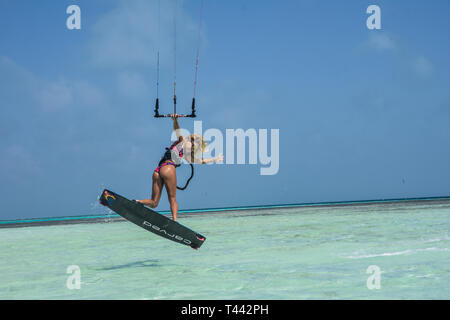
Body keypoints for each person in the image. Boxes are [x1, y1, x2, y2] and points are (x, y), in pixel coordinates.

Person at [136, 114, 223, 221]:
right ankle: (175, 221)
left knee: (154, 203)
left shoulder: (183, 146)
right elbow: (177, 129)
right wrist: (175, 120)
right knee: (172, 199)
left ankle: (137, 202)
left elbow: (200, 160)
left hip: (158, 170)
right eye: (196, 143)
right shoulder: (184, 142)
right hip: (168, 168)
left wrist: (214, 159)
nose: (195, 146)